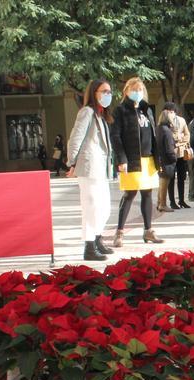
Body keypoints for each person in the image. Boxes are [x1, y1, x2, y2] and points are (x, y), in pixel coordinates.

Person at [65, 78, 115, 261]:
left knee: (104, 208)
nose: (108, 95)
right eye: (104, 91)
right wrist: (71, 163)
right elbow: (75, 138)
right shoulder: (86, 112)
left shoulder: (100, 115)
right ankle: (89, 247)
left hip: (101, 169)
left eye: (109, 92)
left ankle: (97, 238)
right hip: (89, 167)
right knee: (91, 208)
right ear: (94, 93)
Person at [111, 77, 164, 246]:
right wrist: (121, 159)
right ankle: (119, 233)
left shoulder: (146, 110)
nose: (138, 92)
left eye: (140, 89)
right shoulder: (120, 111)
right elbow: (116, 136)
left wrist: (158, 159)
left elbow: (153, 135)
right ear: (126, 91)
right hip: (131, 159)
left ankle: (148, 231)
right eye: (134, 89)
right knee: (130, 194)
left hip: (148, 159)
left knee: (147, 194)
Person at [155, 102, 179, 213]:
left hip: (160, 159)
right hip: (167, 160)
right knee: (165, 182)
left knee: (161, 182)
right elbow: (169, 148)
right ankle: (163, 204)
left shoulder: (159, 128)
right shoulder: (167, 131)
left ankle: (159, 202)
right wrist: (174, 157)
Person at [172, 105, 192, 209]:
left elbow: (187, 135)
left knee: (181, 177)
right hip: (170, 153)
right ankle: (172, 201)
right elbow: (166, 136)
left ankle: (181, 200)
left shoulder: (182, 120)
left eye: (173, 111)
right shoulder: (165, 122)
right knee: (171, 178)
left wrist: (179, 141)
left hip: (181, 152)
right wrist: (176, 137)